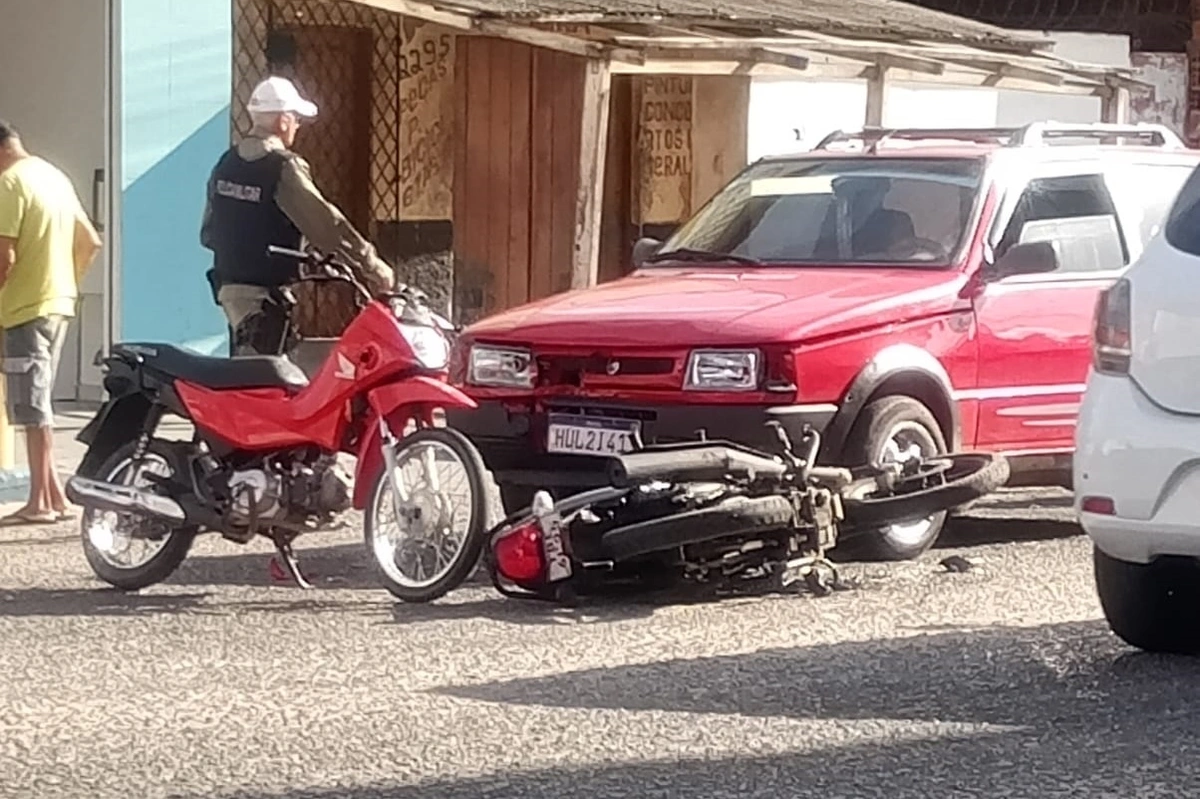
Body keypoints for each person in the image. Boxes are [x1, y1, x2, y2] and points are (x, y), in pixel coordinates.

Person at [200, 76, 394, 356]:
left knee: (254, 373)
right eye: (296, 119)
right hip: (263, 298)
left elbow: (208, 233)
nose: (298, 126)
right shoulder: (282, 166)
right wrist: (373, 267)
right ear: (282, 121)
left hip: (231, 293)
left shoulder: (226, 163)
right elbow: (327, 226)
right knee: (268, 384)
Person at [0, 120, 102, 525]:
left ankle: (38, 502)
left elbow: (4, 258)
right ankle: (53, 494)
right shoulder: (52, 175)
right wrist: (66, 279)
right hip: (57, 302)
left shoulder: (10, 184)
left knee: (30, 403)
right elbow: (90, 241)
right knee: (37, 395)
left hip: (24, 306)